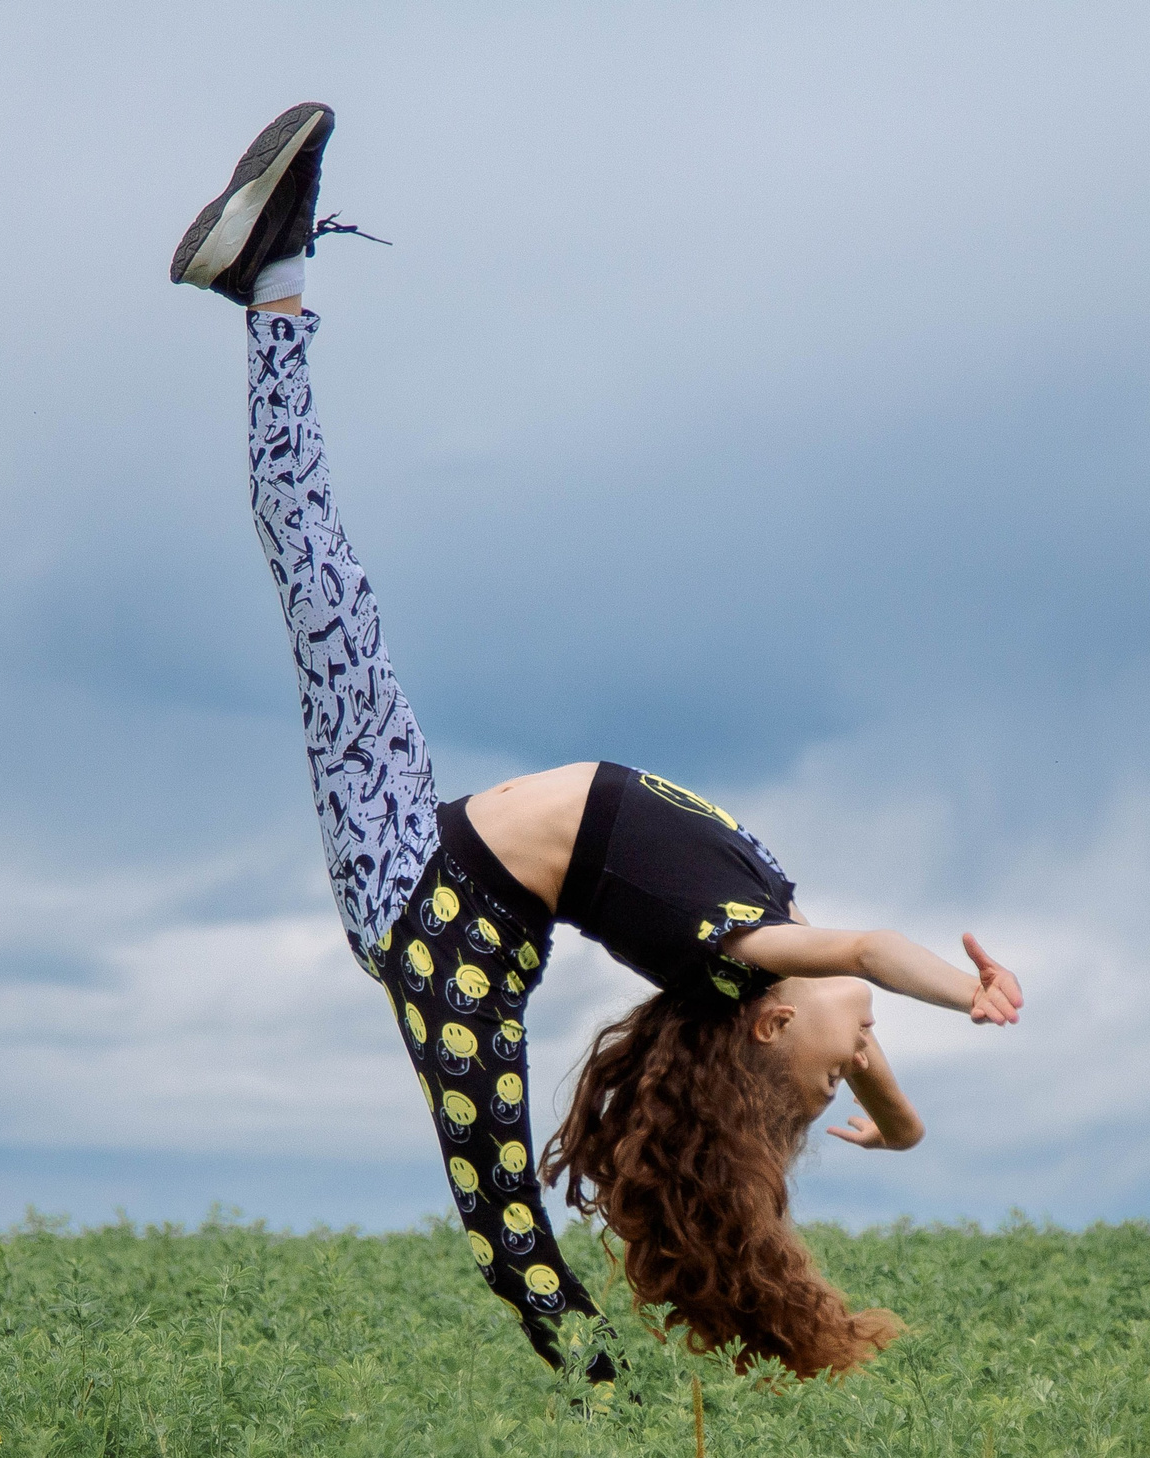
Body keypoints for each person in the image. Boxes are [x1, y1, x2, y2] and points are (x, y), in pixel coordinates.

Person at [169, 103, 1025, 1382]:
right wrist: (897, 1128)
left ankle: (271, 287)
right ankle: (274, 274)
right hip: (452, 864)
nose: (850, 1057)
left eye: (824, 1077)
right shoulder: (798, 995)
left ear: (766, 1029)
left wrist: (969, 995)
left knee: (319, 584)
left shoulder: (747, 956)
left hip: (421, 912)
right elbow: (864, 1040)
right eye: (848, 1070)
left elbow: (860, 957)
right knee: (327, 588)